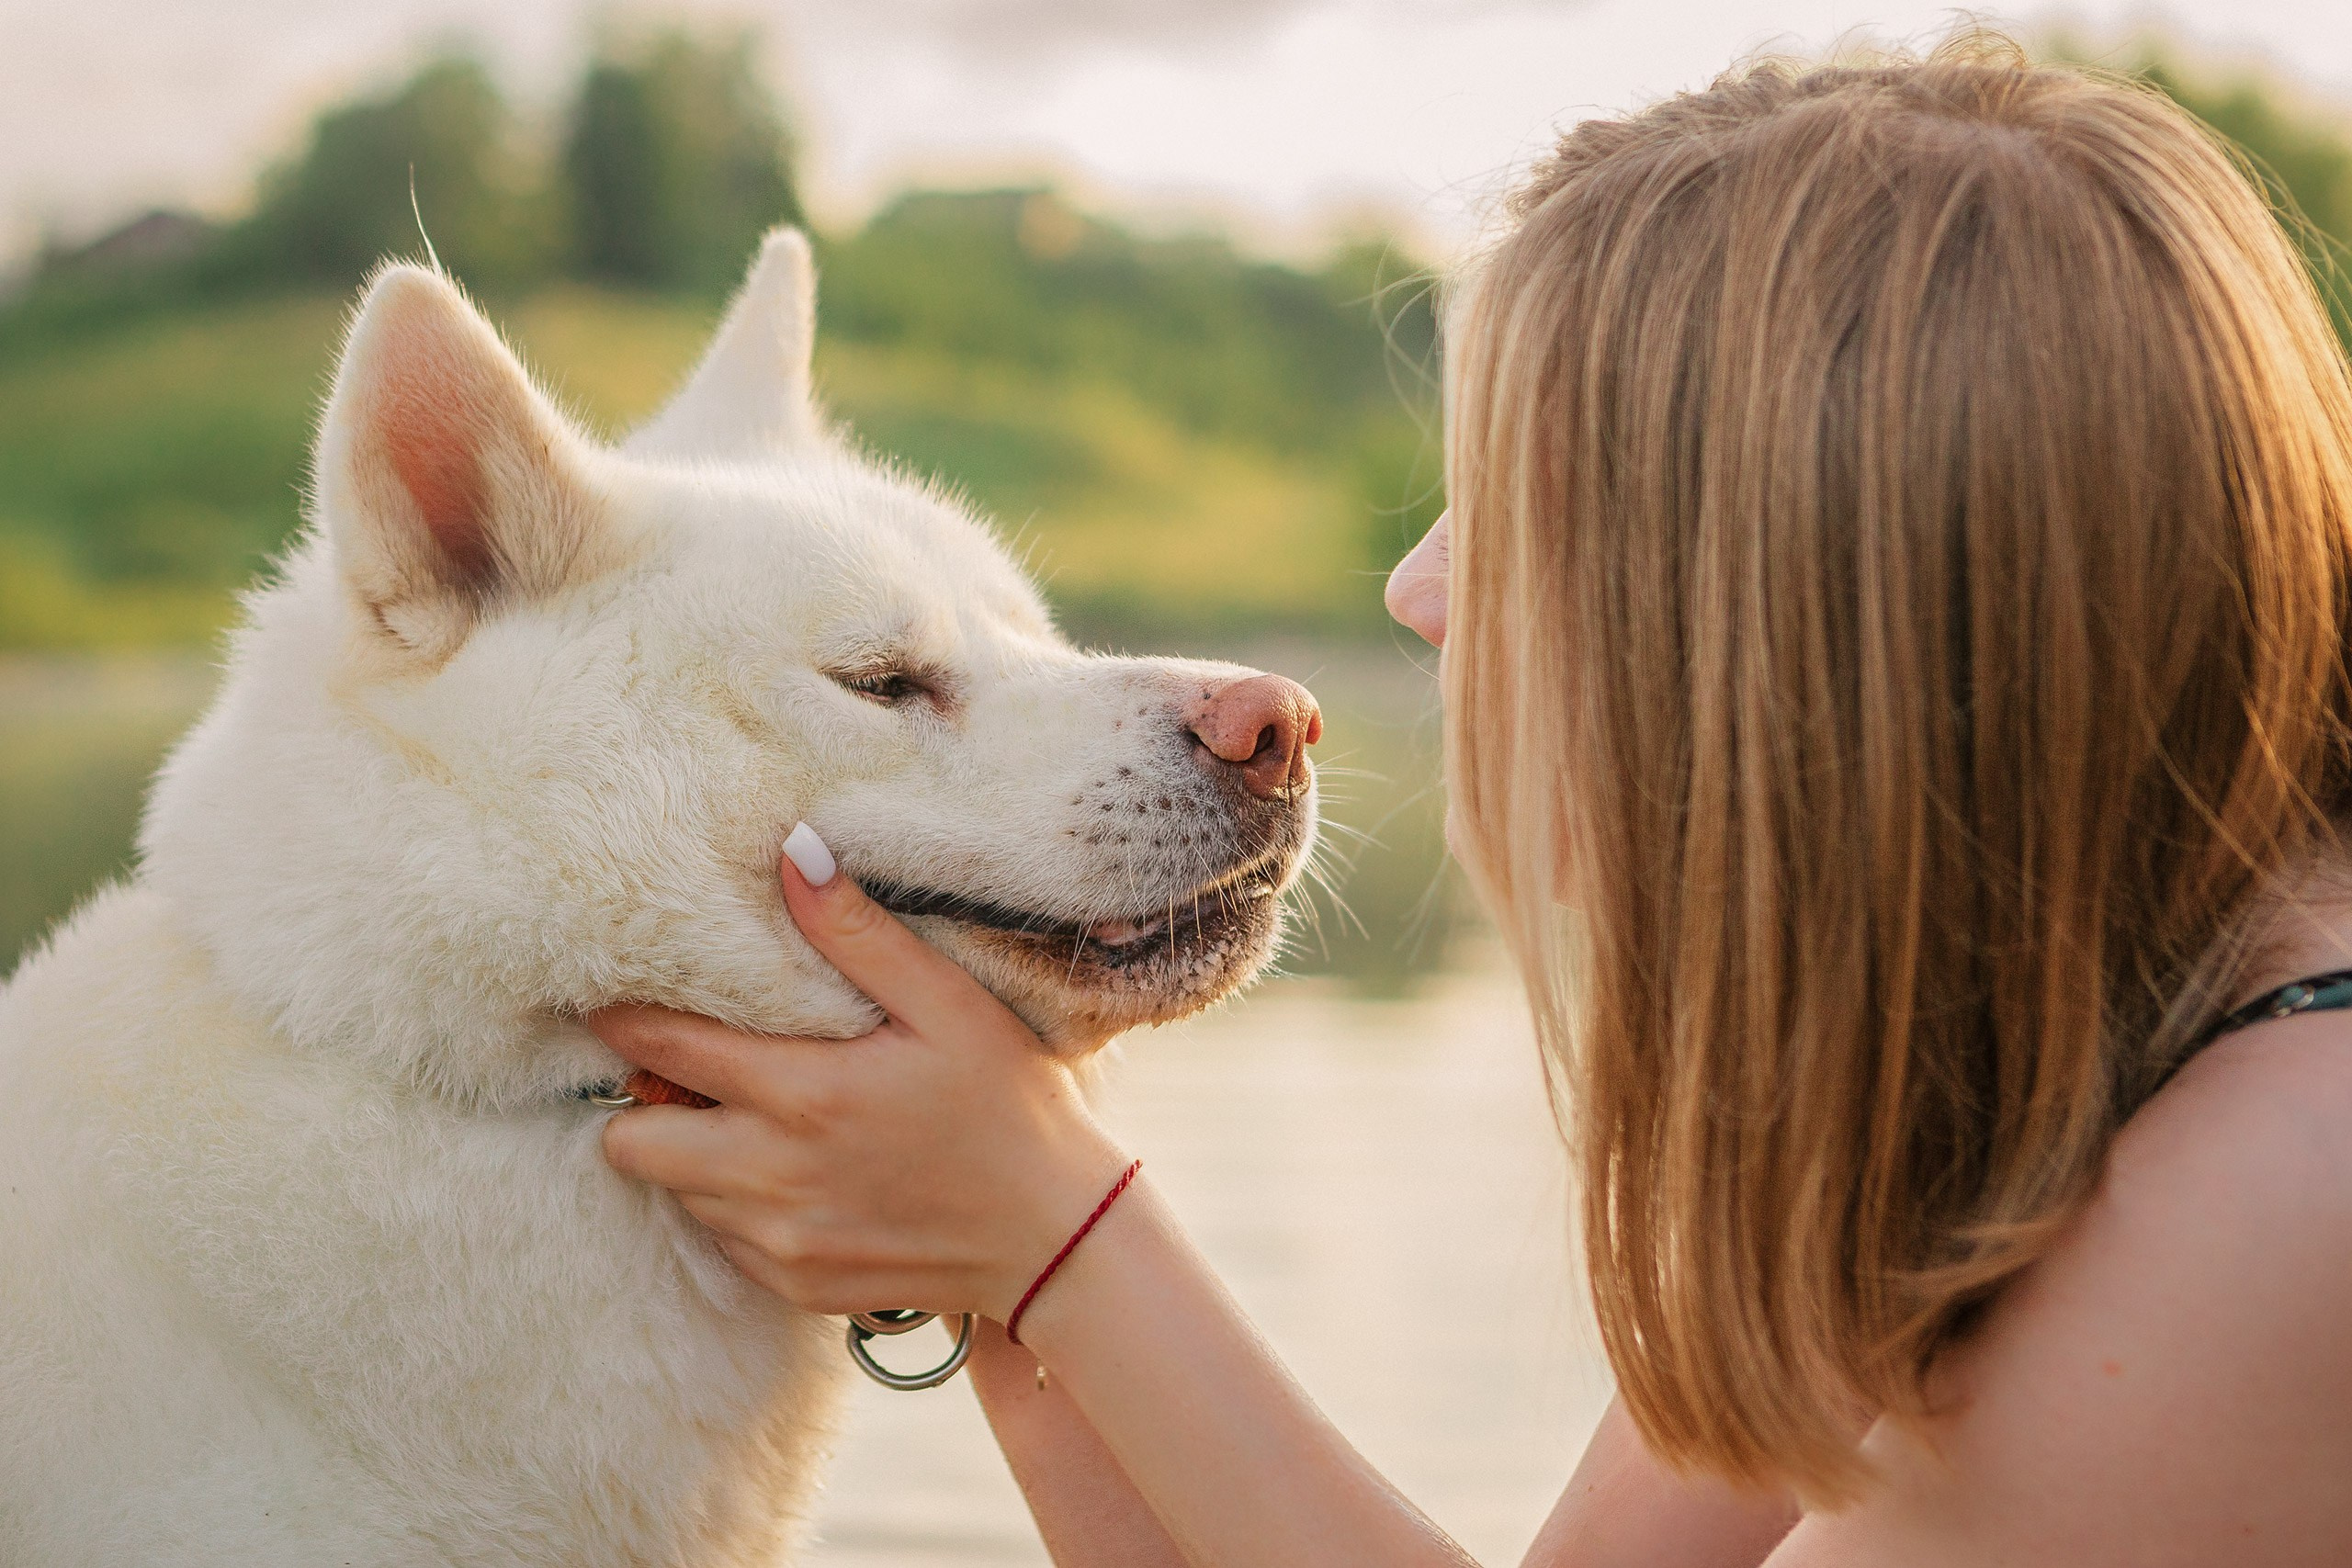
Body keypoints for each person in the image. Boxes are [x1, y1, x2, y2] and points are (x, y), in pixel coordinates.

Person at [585, 33, 2352, 1566]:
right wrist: (997, 1272)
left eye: (1514, 498)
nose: (1419, 589)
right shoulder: (1973, 1092)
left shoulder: (2291, 1200)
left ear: (1791, 612)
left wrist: (1068, 1239)